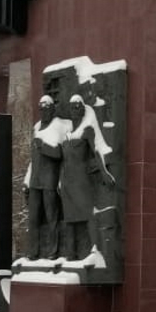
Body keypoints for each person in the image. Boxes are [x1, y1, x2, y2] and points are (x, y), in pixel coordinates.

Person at [58, 94, 114, 260]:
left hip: (81, 179)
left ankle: (95, 250)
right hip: (67, 182)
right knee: (69, 219)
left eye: (78, 106)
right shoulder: (67, 134)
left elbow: (96, 151)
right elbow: (63, 160)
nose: (75, 110)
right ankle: (71, 254)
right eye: (72, 107)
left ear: (83, 110)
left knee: (88, 214)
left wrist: (104, 172)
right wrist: (59, 182)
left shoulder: (87, 130)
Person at [23, 95, 69, 260]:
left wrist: (43, 147)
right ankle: (33, 252)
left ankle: (53, 251)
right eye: (41, 109)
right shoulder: (36, 127)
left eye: (46, 109)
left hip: (50, 179)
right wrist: (27, 181)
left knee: (52, 217)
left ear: (52, 109)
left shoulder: (59, 126)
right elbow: (32, 159)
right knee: (33, 218)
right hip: (35, 180)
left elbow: (60, 153)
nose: (43, 112)